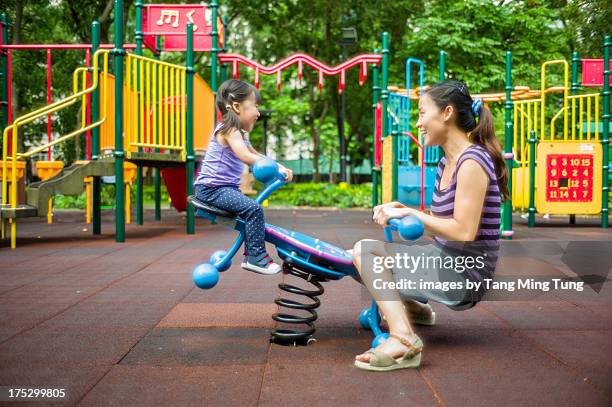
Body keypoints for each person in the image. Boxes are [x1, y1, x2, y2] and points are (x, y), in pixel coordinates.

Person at [352, 80, 509, 371]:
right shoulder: (445, 163)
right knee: (360, 259)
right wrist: (404, 210)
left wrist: (410, 213)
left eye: (423, 113)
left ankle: (404, 339)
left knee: (365, 253)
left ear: (447, 113)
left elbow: (463, 231)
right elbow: (443, 220)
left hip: (465, 276)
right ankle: (416, 310)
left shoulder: (472, 161)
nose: (418, 122)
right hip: (446, 262)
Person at [194, 79, 293, 275]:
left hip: (225, 189)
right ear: (237, 107)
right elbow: (246, 156)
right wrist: (273, 169)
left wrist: (279, 166)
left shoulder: (240, 133)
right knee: (254, 210)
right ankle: (255, 257)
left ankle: (252, 253)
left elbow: (257, 154)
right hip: (212, 189)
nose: (258, 113)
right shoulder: (228, 129)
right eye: (255, 106)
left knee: (250, 213)